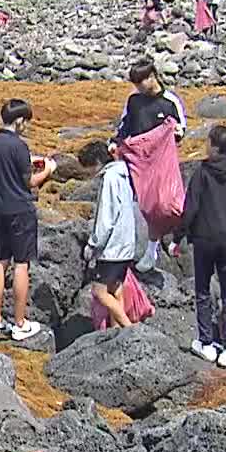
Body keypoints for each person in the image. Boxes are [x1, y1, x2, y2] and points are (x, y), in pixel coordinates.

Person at [175, 124, 226, 368]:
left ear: (216, 148)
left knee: (203, 290)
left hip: (204, 239)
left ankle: (206, 343)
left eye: (208, 142)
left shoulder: (202, 173)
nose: (205, 146)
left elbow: (191, 208)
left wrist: (177, 237)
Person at [0, 99, 56, 341]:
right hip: (21, 211)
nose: (27, 126)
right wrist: (48, 169)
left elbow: (7, 169)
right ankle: (20, 323)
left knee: (0, 261)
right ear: (19, 120)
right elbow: (30, 182)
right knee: (21, 264)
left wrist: (29, 161)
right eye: (27, 122)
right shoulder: (19, 146)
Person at [87, 138, 148, 328]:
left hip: (112, 248)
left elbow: (106, 216)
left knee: (99, 291)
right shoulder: (126, 174)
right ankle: (116, 331)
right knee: (116, 289)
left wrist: (93, 244)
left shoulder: (110, 178)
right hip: (126, 244)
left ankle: (128, 327)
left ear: (96, 162)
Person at [118, 62, 188, 141]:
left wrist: (179, 131)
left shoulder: (171, 100)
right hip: (137, 148)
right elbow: (125, 125)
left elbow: (181, 126)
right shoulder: (133, 99)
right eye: (135, 83)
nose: (137, 87)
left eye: (140, 82)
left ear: (152, 77)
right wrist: (116, 142)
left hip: (162, 149)